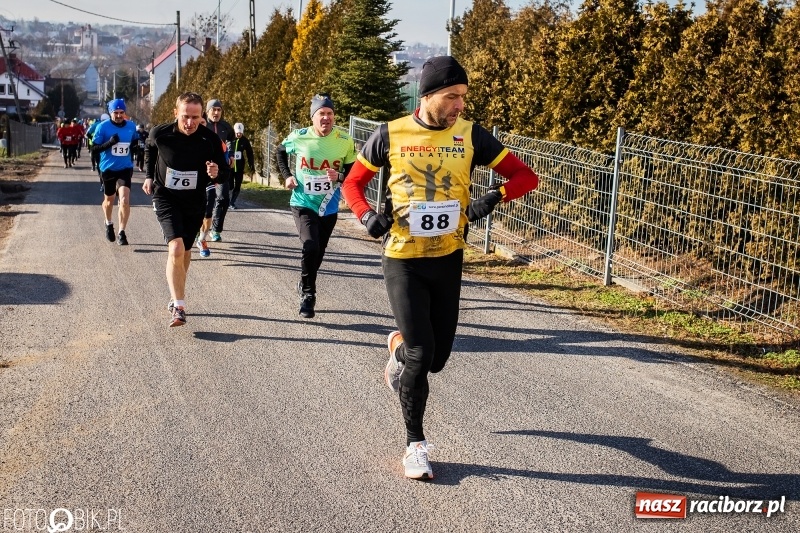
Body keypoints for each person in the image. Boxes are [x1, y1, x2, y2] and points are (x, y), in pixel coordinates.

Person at [341, 56, 540, 480]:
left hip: (448, 258)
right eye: (452, 96)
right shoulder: (391, 133)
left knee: (437, 359)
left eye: (463, 97)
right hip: (403, 259)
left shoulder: (470, 136)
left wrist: (493, 197)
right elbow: (352, 183)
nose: (459, 105)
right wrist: (364, 215)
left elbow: (526, 177)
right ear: (427, 95)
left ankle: (396, 348)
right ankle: (415, 445)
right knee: (422, 353)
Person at [142, 92, 228, 327]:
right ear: (175, 114)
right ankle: (179, 307)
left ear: (202, 116)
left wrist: (216, 174)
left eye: (195, 117)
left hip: (195, 201)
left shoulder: (209, 139)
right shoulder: (160, 133)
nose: (190, 123)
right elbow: (149, 150)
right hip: (166, 197)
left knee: (186, 250)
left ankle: (175, 293)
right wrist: (149, 177)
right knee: (176, 247)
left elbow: (224, 170)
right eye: (185, 117)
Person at [276, 93, 357, 319]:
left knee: (318, 253)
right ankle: (308, 295)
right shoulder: (299, 136)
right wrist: (287, 176)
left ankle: (304, 282)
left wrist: (339, 175)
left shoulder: (344, 140)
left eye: (330, 113)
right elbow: (280, 152)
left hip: (328, 205)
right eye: (321, 113)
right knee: (310, 245)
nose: (326, 118)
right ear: (313, 117)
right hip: (302, 202)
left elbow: (352, 172)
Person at [91, 99, 138, 245]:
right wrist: (110, 143)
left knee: (124, 200)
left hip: (125, 168)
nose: (118, 115)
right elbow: (94, 149)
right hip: (108, 169)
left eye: (121, 113)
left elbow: (134, 141)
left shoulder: (131, 126)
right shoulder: (102, 127)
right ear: (110, 113)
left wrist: (136, 148)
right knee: (109, 200)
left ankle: (122, 232)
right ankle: (108, 222)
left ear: (125, 113)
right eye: (115, 113)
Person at [205, 98, 235, 242]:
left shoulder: (226, 126)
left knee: (223, 197)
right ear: (207, 111)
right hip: (204, 167)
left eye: (219, 110)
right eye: (213, 110)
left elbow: (231, 140)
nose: (216, 113)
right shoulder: (202, 124)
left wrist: (231, 155)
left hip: (221, 167)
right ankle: (200, 228)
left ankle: (216, 230)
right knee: (204, 199)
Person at [228, 122, 255, 210]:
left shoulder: (245, 140)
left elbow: (249, 152)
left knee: (238, 184)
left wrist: (251, 164)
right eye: (237, 133)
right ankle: (227, 201)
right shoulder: (230, 139)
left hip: (239, 166)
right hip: (230, 166)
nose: (239, 134)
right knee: (230, 185)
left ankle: (232, 202)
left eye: (240, 133)